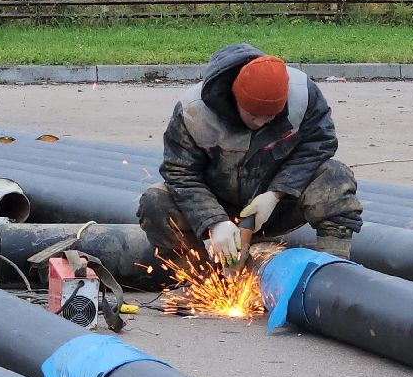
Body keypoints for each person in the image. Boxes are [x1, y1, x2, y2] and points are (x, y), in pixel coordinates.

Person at [137, 43, 362, 264]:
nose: (261, 122)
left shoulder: (302, 95)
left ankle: (332, 270)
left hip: (278, 206)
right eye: (254, 115)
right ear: (235, 99)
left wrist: (276, 193)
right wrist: (214, 221)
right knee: (155, 202)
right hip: (217, 203)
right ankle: (198, 278)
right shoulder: (193, 111)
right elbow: (180, 173)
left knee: (334, 175)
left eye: (270, 117)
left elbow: (319, 144)